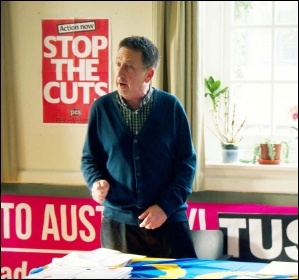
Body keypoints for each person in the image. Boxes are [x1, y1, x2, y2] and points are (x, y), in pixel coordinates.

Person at [81, 35, 197, 259]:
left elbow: (187, 164)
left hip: (168, 220)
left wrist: (164, 207)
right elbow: (90, 159)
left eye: (129, 66)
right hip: (118, 223)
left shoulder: (170, 107)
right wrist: (96, 182)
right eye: (118, 64)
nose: (119, 73)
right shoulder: (101, 108)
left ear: (149, 73)